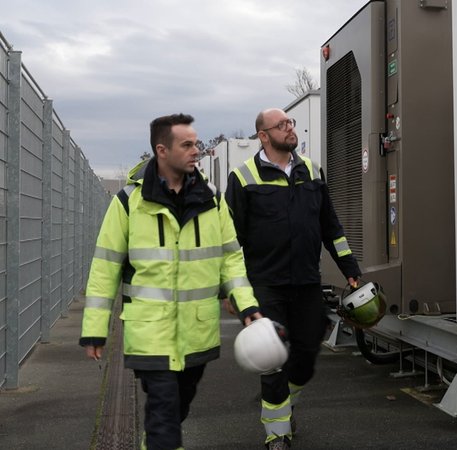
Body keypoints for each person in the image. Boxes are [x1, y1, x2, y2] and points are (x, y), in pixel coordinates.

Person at [80, 113, 264, 450]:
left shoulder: (212, 201)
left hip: (197, 331)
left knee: (177, 407)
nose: (197, 150)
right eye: (188, 144)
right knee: (164, 412)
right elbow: (105, 267)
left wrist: (246, 304)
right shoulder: (127, 203)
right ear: (162, 150)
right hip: (149, 333)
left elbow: (230, 258)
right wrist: (95, 329)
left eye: (197, 143)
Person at [226, 108, 361, 449]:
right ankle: (277, 433)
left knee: (306, 355)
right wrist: (229, 290)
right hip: (265, 286)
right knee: (272, 357)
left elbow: (331, 228)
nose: (290, 128)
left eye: (291, 123)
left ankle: (283, 403)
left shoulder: (312, 171)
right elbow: (230, 241)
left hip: (306, 282)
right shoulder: (242, 178)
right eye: (281, 125)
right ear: (264, 136)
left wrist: (351, 269)